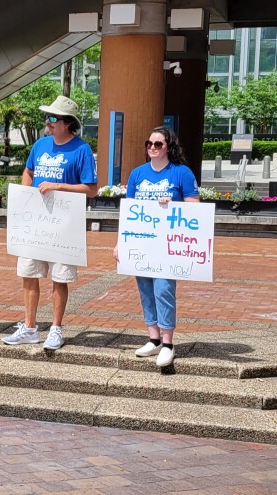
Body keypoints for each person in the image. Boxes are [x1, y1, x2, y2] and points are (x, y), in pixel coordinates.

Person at [2, 95, 98, 350]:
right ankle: (30, 327)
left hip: (64, 224)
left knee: (60, 277)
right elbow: (29, 171)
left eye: (53, 118)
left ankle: (56, 328)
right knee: (29, 274)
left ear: (67, 123)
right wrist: (25, 195)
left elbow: (91, 189)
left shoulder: (81, 149)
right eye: (48, 117)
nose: (48, 121)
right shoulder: (40, 145)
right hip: (36, 222)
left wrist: (58, 186)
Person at [113, 126, 199, 367]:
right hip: (141, 241)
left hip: (168, 245)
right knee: (146, 290)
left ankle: (168, 342)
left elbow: (195, 207)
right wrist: (120, 243)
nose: (152, 147)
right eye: (149, 143)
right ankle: (153, 338)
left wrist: (172, 205)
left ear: (168, 147)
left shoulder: (181, 173)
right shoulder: (137, 174)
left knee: (163, 290)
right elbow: (128, 212)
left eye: (158, 144)